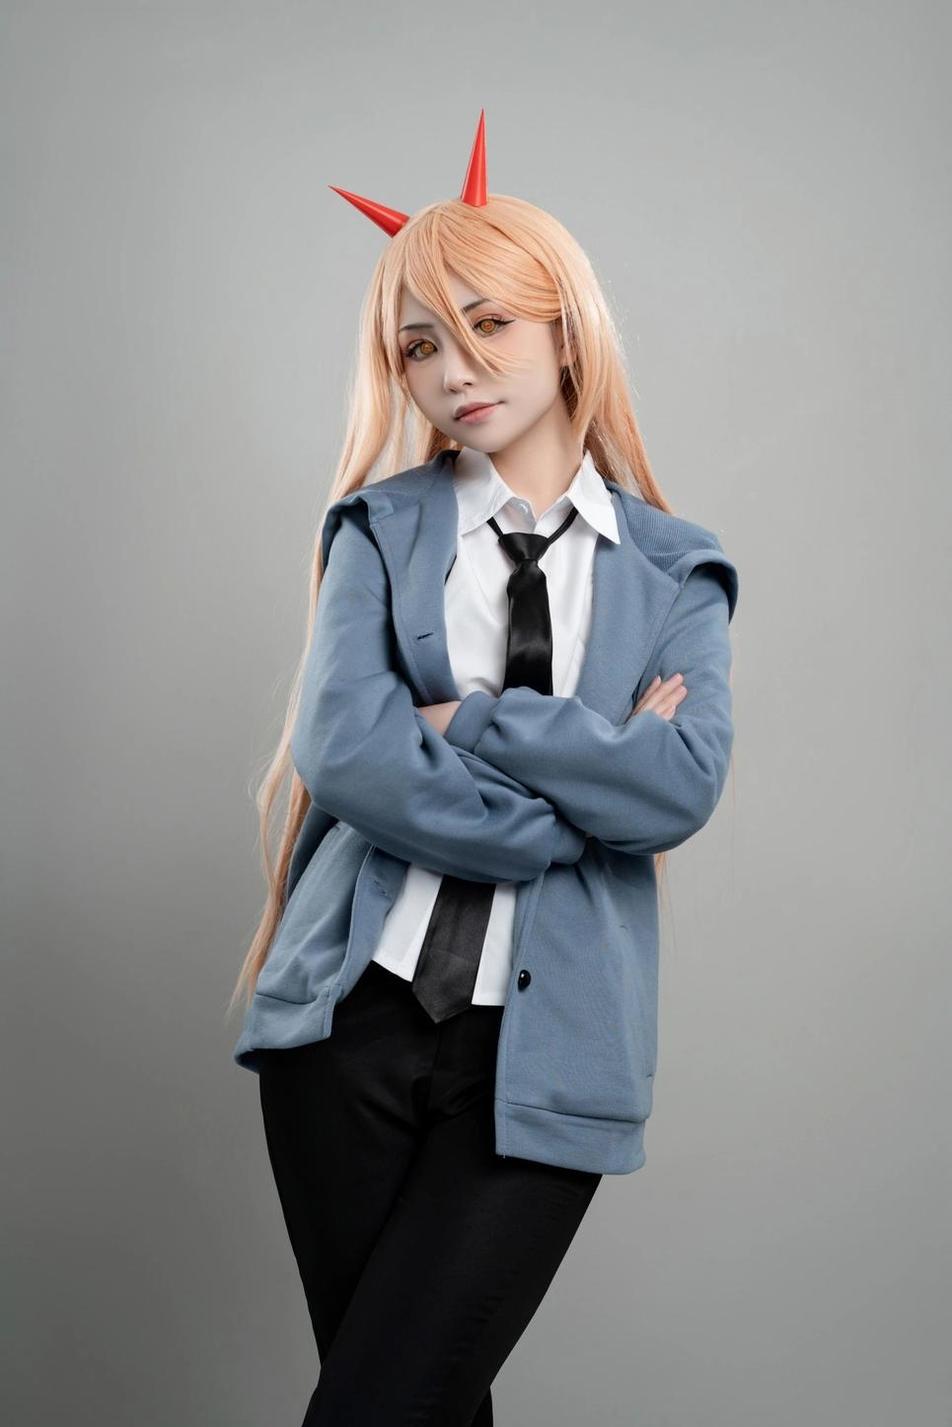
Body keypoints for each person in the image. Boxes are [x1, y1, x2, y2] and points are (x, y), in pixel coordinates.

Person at [228, 109, 739, 1426]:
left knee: (389, 1400)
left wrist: (475, 722)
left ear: (567, 328)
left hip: (551, 1052)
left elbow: (678, 785)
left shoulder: (676, 570)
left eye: (489, 324)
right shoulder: (376, 533)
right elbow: (350, 753)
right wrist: (569, 810)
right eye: (419, 346)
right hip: (344, 1033)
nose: (454, 370)